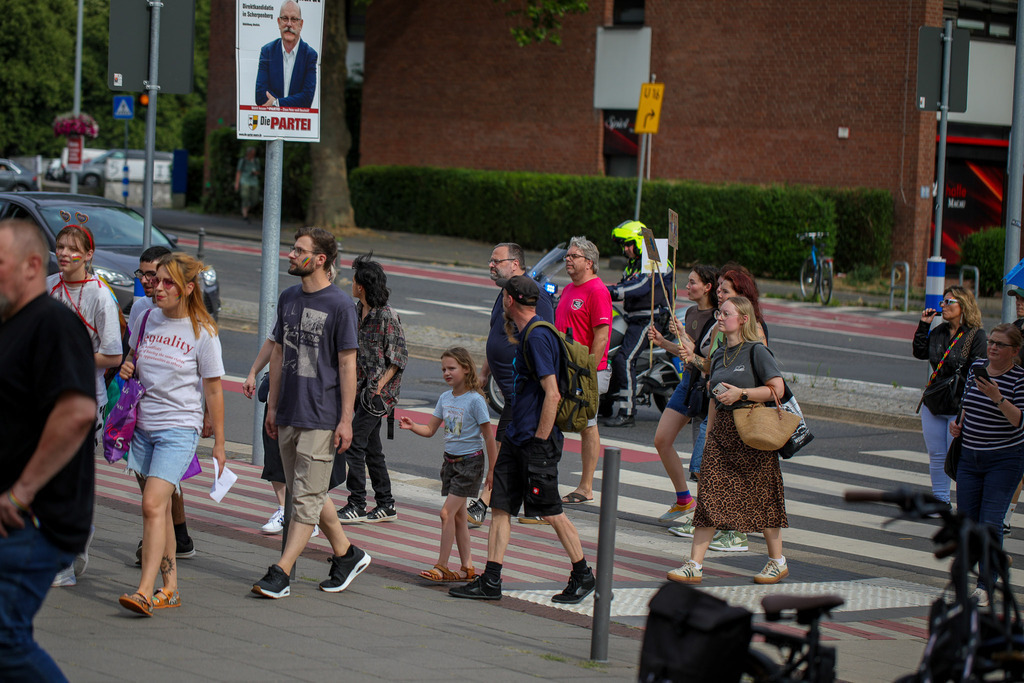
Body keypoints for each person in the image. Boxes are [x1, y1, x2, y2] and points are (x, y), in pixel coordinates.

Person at [449, 275, 596, 604]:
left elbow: (553, 394)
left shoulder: (537, 336)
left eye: (503, 295)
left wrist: (540, 442)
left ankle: (583, 575)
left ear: (510, 300)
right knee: (501, 506)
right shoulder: (525, 332)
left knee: (550, 509)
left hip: (534, 441)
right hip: (517, 436)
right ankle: (491, 579)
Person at [0, 219, 97, 681]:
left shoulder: (53, 324)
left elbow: (77, 413)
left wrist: (21, 492)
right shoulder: (12, 326)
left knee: (4, 639)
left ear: (31, 266)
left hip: (35, 519)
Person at [252, 227, 371, 599]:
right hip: (287, 411)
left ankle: (281, 572)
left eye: (298, 250)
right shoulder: (288, 298)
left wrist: (346, 418)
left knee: (304, 498)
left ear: (320, 260)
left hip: (321, 415)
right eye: (292, 248)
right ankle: (347, 555)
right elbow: (277, 352)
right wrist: (271, 407)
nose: (290, 254)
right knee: (307, 491)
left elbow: (348, 365)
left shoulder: (338, 305)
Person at [116, 252, 226, 616]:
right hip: (142, 426)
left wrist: (220, 443)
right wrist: (129, 366)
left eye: (167, 283)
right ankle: (171, 587)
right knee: (157, 511)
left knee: (151, 504)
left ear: (187, 289)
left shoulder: (202, 332)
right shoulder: (146, 317)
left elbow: (213, 390)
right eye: (155, 280)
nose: (157, 287)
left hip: (179, 430)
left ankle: (145, 590)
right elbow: (134, 358)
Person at [667, 296, 790, 585]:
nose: (720, 317)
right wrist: (708, 438)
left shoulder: (756, 351)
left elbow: (777, 389)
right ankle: (694, 565)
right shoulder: (721, 353)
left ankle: (777, 561)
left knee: (763, 498)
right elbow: (712, 396)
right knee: (709, 498)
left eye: (726, 313)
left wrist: (742, 394)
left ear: (743, 319)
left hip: (752, 435)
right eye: (720, 313)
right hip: (722, 434)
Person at [668, 267, 768, 551]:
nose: (719, 298)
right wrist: (689, 352)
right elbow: (709, 368)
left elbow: (774, 385)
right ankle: (708, 531)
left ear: (742, 304)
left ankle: (738, 531)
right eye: (720, 290)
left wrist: (743, 392)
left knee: (724, 471)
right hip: (717, 410)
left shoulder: (755, 338)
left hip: (743, 414)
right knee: (707, 467)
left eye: (725, 292)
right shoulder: (722, 339)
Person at [46, 221, 122, 587]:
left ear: (88, 254)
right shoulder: (48, 288)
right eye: (59, 246)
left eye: (71, 248)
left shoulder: (99, 297)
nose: (63, 253)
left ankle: (64, 559)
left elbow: (113, 354)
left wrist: (71, 356)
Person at [399, 347, 498, 582]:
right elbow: (431, 429)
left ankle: (442, 565)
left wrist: (492, 471)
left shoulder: (475, 400)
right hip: (450, 463)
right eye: (443, 369)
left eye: (451, 368)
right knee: (459, 517)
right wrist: (413, 426)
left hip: (470, 464)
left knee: (446, 513)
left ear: (466, 368)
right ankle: (468, 568)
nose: (446, 373)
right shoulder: (445, 398)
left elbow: (489, 438)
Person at [473, 242, 554, 527]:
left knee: (503, 442)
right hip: (509, 388)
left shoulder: (534, 297)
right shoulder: (504, 294)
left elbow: (542, 338)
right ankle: (531, 503)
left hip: (522, 391)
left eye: (497, 261)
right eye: (490, 260)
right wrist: (485, 372)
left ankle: (486, 499)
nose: (491, 265)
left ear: (515, 264)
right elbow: (499, 332)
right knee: (509, 445)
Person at [949, 323, 1024, 607]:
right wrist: (959, 425)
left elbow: (1019, 421)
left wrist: (998, 398)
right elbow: (967, 403)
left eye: (1000, 344)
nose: (992, 347)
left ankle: (985, 585)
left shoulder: (1019, 379)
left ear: (1014, 351)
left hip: (1004, 461)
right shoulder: (977, 368)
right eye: (991, 341)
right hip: (970, 457)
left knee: (990, 524)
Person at [335, 253, 408, 524]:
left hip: (380, 394)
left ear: (362, 286)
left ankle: (356, 503)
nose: (350, 284)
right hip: (360, 390)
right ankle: (386, 504)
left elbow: (399, 358)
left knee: (353, 444)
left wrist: (379, 386)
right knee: (373, 450)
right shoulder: (355, 311)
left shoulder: (387, 316)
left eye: (353, 280)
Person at [647, 264, 718, 524]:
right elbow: (685, 353)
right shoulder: (690, 312)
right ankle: (684, 500)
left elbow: (703, 357)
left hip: (704, 386)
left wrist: (683, 339)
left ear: (708, 287)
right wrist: (664, 342)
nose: (687, 287)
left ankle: (705, 516)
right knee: (661, 439)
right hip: (687, 381)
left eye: (692, 283)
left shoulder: (718, 317)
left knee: (702, 461)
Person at [913, 285, 986, 510]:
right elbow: (920, 352)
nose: (942, 306)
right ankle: (941, 501)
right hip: (935, 402)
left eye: (948, 302)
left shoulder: (976, 336)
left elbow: (977, 373)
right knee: (936, 454)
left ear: (963, 306)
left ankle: (968, 505)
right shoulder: (939, 332)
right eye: (943, 302)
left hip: (959, 405)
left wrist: (967, 409)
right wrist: (923, 326)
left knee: (958, 457)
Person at [554, 236, 611, 504]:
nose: (568, 259)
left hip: (586, 371)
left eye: (573, 256)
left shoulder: (597, 291)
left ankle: (586, 486)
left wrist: (587, 369)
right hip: (565, 368)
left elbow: (601, 335)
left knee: (587, 424)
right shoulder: (568, 290)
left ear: (589, 262)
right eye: (567, 255)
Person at [603, 219, 673, 428]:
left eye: (628, 244)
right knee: (608, 352)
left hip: (649, 319)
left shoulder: (655, 261)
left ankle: (627, 412)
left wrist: (608, 291)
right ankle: (604, 403)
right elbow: (624, 283)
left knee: (624, 358)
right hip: (633, 317)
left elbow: (641, 286)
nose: (625, 249)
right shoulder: (633, 264)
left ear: (640, 242)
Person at [254, 0, 318, 108]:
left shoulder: (309, 55)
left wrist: (276, 103)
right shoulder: (267, 52)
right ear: (279, 22)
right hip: (271, 122)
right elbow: (260, 96)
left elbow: (307, 98)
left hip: (297, 122)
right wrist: (292, 102)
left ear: (300, 24)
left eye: (294, 19)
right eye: (285, 18)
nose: (289, 24)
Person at [233, 147, 261, 224]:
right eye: (251, 153)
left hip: (254, 182)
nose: (252, 155)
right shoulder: (243, 161)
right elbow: (238, 172)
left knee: (254, 198)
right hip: (245, 180)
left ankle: (246, 209)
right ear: (248, 153)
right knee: (245, 196)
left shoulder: (256, 161)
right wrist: (237, 183)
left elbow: (259, 171)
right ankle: (245, 214)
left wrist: (255, 173)